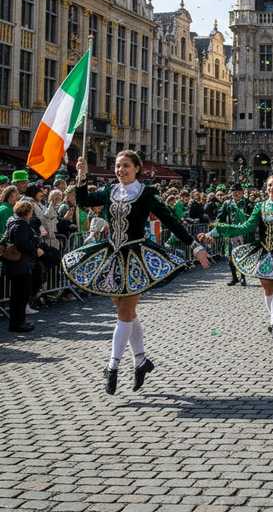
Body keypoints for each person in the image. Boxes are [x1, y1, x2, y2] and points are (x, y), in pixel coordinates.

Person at [62, 152, 210, 395]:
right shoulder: (110, 191)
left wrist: (195, 246)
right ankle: (141, 361)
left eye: (126, 166)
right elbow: (83, 201)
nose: (121, 170)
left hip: (136, 258)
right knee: (126, 312)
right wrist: (81, 175)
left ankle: (112, 367)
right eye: (118, 166)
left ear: (137, 168)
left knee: (124, 312)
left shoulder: (146, 193)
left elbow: (171, 220)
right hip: (111, 256)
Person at [201, 175, 273, 342]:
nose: (272, 188)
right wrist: (215, 231)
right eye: (269, 185)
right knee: (266, 288)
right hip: (263, 251)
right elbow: (245, 227)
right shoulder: (259, 206)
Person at [2, 200, 43, 333]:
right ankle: (18, 323)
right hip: (20, 264)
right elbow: (23, 244)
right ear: (27, 212)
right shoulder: (21, 225)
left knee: (18, 295)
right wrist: (35, 248)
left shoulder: (13, 222)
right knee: (20, 295)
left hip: (17, 264)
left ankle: (19, 322)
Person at [216, 184, 249, 287]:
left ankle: (243, 277)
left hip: (243, 233)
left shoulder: (247, 203)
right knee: (230, 256)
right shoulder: (227, 203)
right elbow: (220, 217)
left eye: (238, 192)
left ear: (242, 192)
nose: (236, 193)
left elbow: (253, 216)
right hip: (231, 234)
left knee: (242, 255)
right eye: (234, 192)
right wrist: (220, 226)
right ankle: (234, 277)